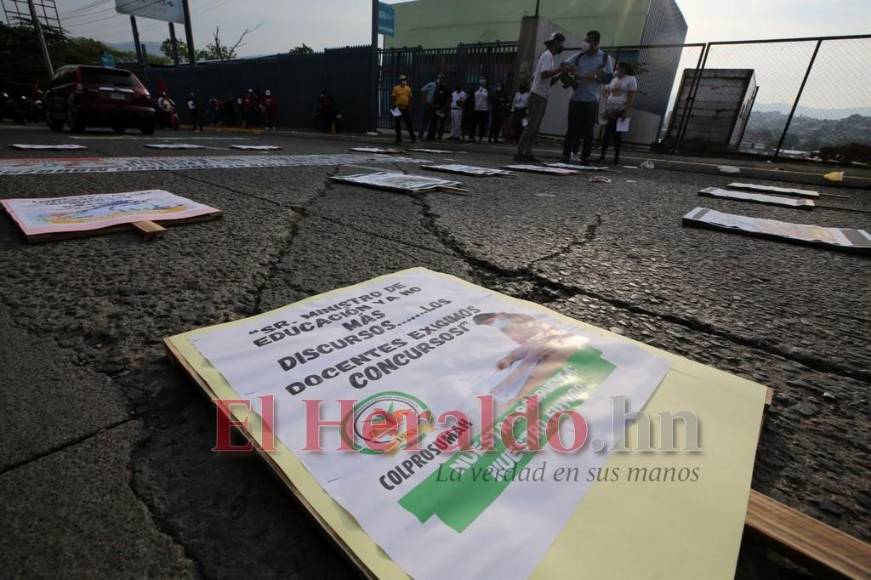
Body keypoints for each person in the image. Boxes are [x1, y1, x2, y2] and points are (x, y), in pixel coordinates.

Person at [561, 30, 613, 164]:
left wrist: (595, 76)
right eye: (586, 40)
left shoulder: (604, 58)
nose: (585, 43)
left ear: (596, 43)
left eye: (588, 41)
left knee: (588, 131)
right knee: (571, 129)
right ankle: (566, 155)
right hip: (575, 97)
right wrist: (569, 67)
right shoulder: (579, 56)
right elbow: (563, 64)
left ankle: (585, 157)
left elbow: (609, 77)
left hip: (591, 99)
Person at [515, 32, 566, 162]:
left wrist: (561, 74)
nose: (562, 46)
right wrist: (560, 70)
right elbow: (544, 74)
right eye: (561, 43)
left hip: (541, 95)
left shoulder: (550, 57)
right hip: (538, 95)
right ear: (555, 43)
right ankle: (521, 152)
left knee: (535, 127)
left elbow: (548, 80)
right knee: (532, 126)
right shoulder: (548, 55)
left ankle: (527, 151)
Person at [598, 62, 637, 165]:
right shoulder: (614, 80)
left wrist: (626, 111)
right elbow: (605, 90)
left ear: (624, 69)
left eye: (618, 68)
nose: (616, 70)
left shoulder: (631, 79)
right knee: (606, 134)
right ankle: (602, 156)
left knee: (617, 135)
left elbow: (631, 97)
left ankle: (616, 158)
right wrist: (607, 99)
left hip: (620, 110)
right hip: (610, 110)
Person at [391, 74, 416, 143]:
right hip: (398, 108)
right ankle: (398, 138)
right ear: (399, 81)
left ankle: (413, 138)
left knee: (409, 124)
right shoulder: (396, 88)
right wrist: (393, 106)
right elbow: (393, 97)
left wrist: (409, 105)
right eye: (402, 80)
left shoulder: (408, 88)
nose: (403, 81)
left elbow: (410, 98)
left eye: (404, 80)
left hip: (405, 108)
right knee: (397, 124)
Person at [470, 77, 489, 144]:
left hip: (483, 110)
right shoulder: (477, 90)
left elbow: (489, 98)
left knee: (482, 125)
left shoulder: (487, 90)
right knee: (474, 124)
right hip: (476, 109)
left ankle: (480, 138)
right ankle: (472, 137)